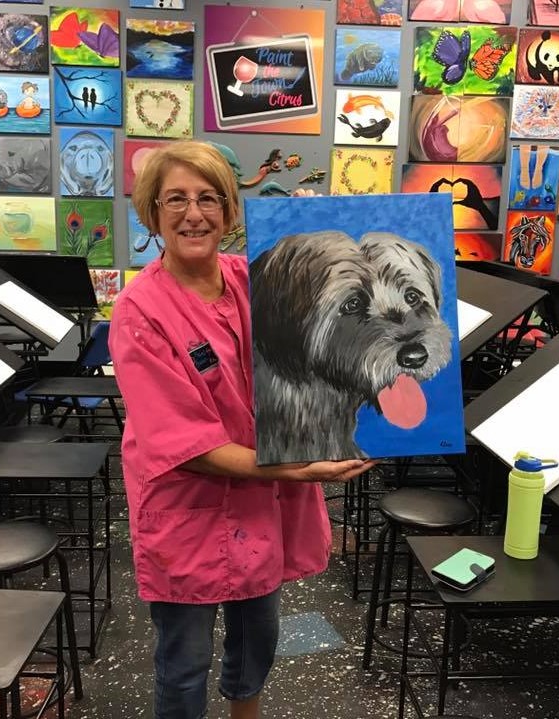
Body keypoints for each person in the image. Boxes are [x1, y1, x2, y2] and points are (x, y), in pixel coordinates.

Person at [109, 140, 375, 719]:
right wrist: (296, 468)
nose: (193, 213)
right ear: (152, 212)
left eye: (208, 198)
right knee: (185, 662)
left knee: (258, 640)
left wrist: (323, 225)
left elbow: (323, 335)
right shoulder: (139, 311)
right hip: (189, 506)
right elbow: (181, 442)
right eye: (175, 199)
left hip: (262, 503)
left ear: (230, 211)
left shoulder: (252, 280)